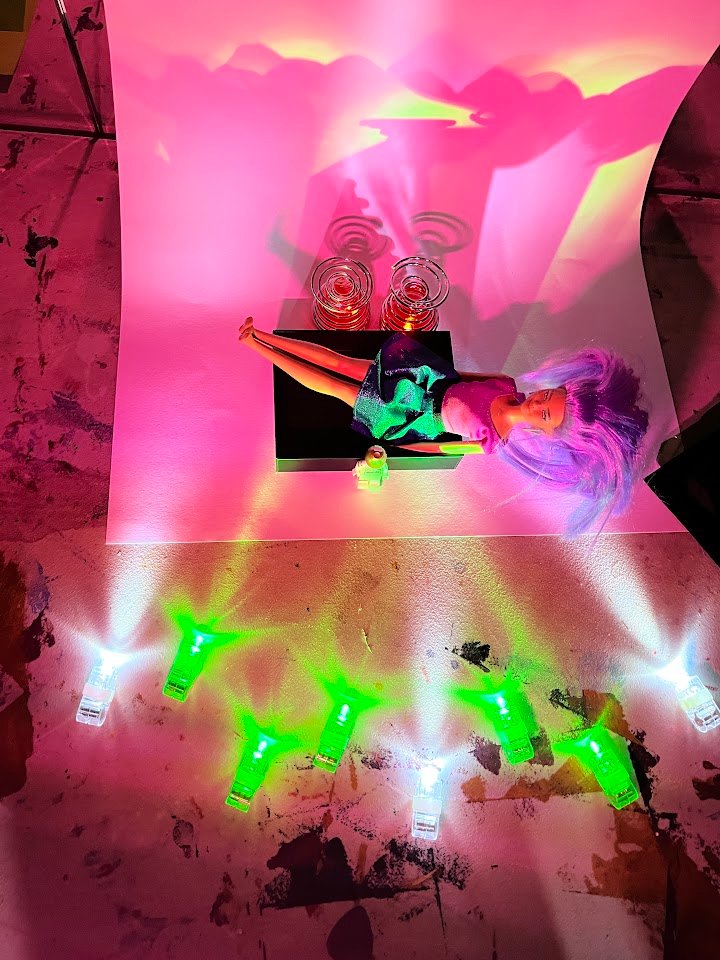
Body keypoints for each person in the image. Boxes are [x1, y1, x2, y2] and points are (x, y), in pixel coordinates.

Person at [238, 317, 649, 534]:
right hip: (418, 381)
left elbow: (439, 446)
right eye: (548, 395)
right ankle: (263, 335)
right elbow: (462, 378)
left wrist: (396, 440)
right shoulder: (506, 384)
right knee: (340, 362)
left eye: (545, 413)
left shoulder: (492, 440)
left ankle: (257, 347)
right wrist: (426, 370)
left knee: (332, 387)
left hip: (408, 416)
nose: (538, 402)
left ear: (547, 432)